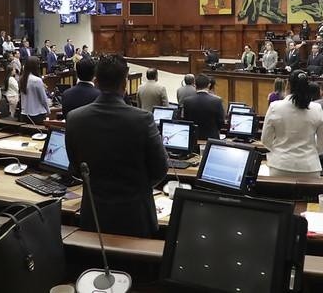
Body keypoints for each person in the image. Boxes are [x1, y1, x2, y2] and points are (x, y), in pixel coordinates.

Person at [66, 54, 168, 238]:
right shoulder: (143, 119)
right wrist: (138, 187)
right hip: (135, 217)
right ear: (125, 84)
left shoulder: (74, 118)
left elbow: (75, 168)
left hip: (94, 215)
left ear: (96, 82)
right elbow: (160, 168)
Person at [261, 71, 323, 180]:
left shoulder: (275, 107)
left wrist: (278, 151)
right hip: (310, 167)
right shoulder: (317, 108)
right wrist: (311, 154)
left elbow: (265, 140)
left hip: (280, 166)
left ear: (288, 85)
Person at [181, 74, 225, 140]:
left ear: (195, 85)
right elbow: (221, 122)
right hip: (211, 139)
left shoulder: (187, 101)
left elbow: (186, 120)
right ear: (209, 85)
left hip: (193, 138)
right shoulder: (217, 101)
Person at [19, 56, 51, 123]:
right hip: (37, 114)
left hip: (24, 114)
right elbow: (43, 99)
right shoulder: (37, 80)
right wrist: (48, 110)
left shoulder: (22, 79)